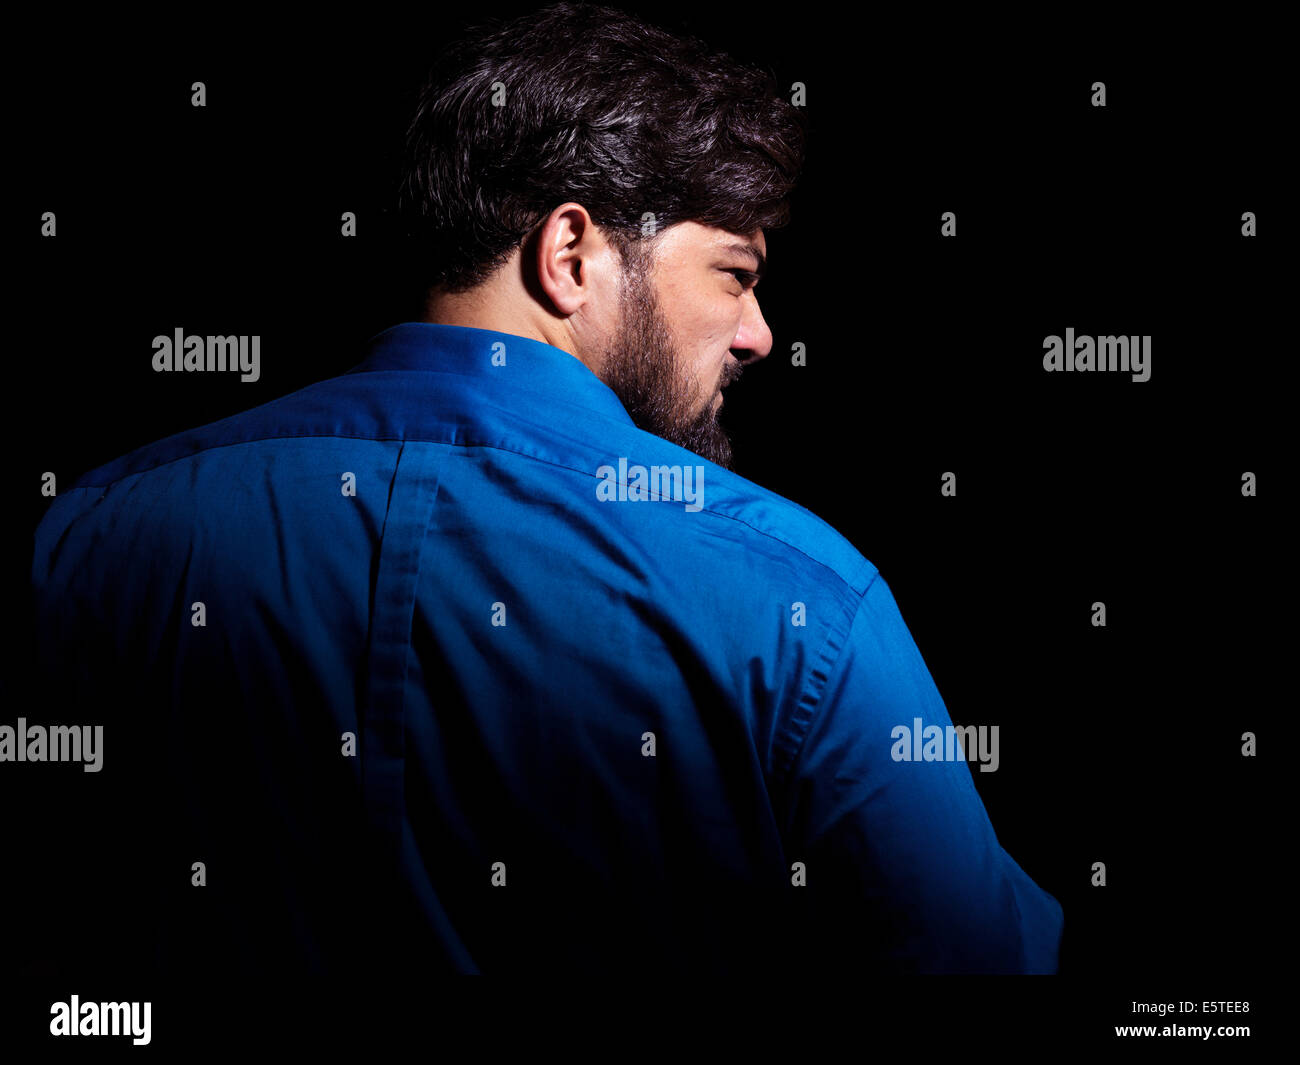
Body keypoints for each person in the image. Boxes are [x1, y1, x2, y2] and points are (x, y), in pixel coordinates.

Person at [28, 2, 1062, 987]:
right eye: (734, 274)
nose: (758, 334)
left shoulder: (92, 534)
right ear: (570, 255)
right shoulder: (803, 604)